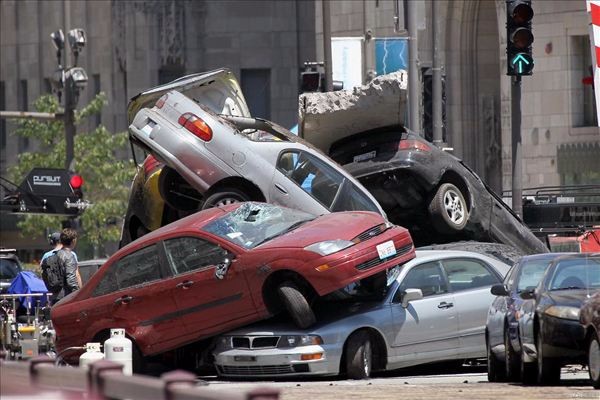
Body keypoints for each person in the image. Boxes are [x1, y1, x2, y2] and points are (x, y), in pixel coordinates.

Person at [48, 228, 82, 303]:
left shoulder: (54, 256)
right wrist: (78, 295)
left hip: (55, 296)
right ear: (73, 241)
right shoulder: (69, 256)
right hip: (66, 297)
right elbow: (71, 279)